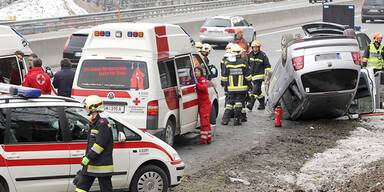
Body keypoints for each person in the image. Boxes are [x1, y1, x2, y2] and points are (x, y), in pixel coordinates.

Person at [75, 95, 114, 192]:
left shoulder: (102, 124)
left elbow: (99, 146)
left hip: (102, 166)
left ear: (93, 108)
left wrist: (88, 157)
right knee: (80, 188)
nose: (85, 108)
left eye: (86, 106)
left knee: (106, 189)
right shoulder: (94, 123)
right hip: (91, 164)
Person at [221, 44, 252, 126]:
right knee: (239, 103)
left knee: (229, 103)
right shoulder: (243, 63)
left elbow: (224, 77)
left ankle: (225, 119)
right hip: (241, 88)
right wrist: (250, 86)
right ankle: (237, 120)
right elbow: (248, 77)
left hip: (231, 88)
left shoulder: (228, 63)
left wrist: (225, 87)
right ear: (239, 53)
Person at [247, 40, 271, 110]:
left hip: (259, 77)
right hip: (252, 77)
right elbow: (247, 65)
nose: (255, 48)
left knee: (254, 91)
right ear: (252, 48)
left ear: (259, 47)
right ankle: (262, 103)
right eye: (254, 47)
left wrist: (267, 75)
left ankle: (251, 105)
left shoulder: (263, 55)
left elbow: (268, 65)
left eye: (256, 47)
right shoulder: (250, 55)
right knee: (258, 92)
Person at [194, 66, 212, 144]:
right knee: (205, 121)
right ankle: (207, 137)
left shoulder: (202, 80)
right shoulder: (198, 80)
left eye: (197, 71)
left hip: (205, 104)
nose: (196, 73)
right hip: (202, 104)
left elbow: (204, 88)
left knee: (205, 122)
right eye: (195, 71)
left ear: (201, 72)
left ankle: (204, 139)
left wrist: (197, 84)